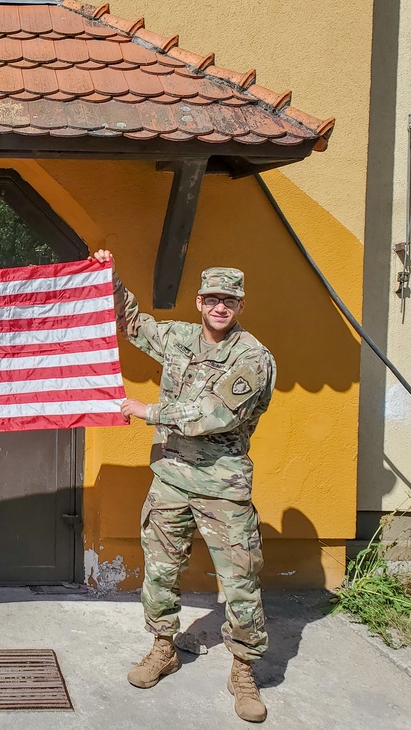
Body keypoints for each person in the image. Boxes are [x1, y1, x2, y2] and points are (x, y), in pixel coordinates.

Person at [95, 249, 275, 724]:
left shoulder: (253, 358)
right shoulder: (179, 338)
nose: (220, 307)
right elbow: (132, 322)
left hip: (222, 484)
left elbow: (215, 415)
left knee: (240, 581)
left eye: (229, 301)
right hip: (171, 478)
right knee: (160, 570)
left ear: (240, 306)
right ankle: (163, 647)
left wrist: (146, 411)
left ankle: (243, 670)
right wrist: (107, 277)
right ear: (199, 301)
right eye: (213, 299)